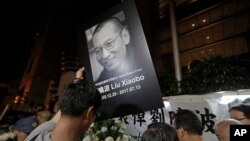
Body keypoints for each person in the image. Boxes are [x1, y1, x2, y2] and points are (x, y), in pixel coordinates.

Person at [24, 67, 102, 141]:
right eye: (96, 114)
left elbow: (70, 101)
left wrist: (77, 80)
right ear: (89, 113)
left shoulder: (36, 135)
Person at [91, 17, 136, 82]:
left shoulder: (146, 60)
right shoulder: (102, 80)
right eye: (97, 51)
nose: (104, 56)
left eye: (109, 44)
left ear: (125, 36)